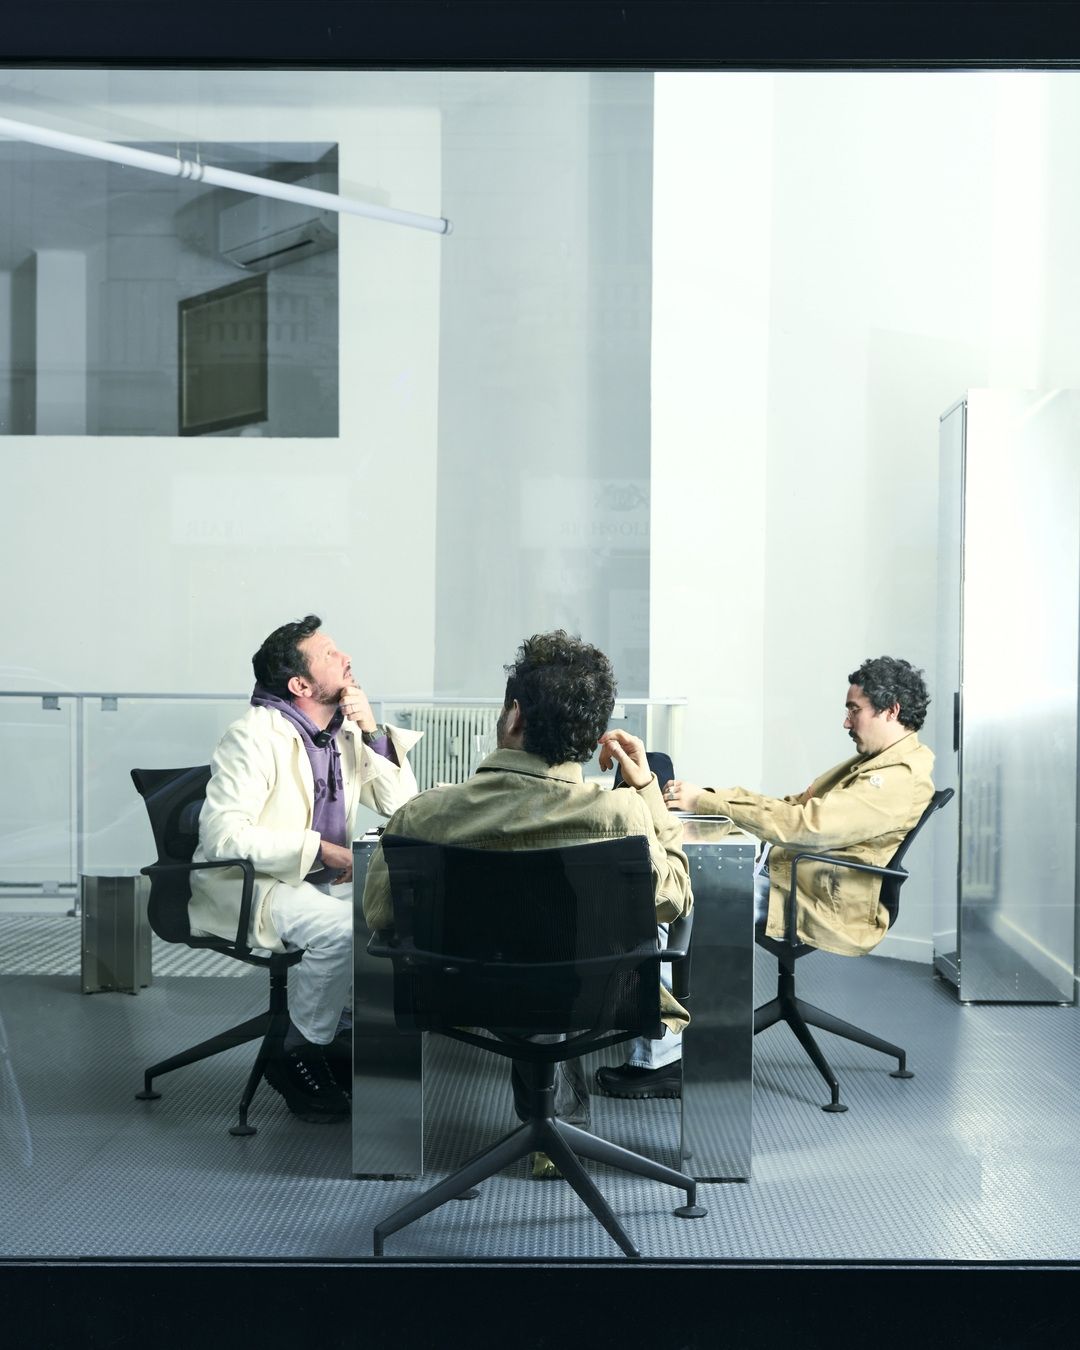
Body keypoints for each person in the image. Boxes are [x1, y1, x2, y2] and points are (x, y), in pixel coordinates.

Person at [361, 630, 692, 1176]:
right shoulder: (620, 816)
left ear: (514, 716)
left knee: (525, 958)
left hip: (461, 994)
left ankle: (546, 1127)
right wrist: (648, 790)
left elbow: (379, 915)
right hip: (592, 995)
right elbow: (675, 896)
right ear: (592, 737)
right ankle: (555, 1134)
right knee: (561, 958)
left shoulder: (425, 814)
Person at [597, 654, 935, 1100]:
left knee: (663, 902)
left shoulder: (896, 780)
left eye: (855, 710)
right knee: (669, 887)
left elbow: (805, 826)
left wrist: (708, 803)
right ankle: (662, 1034)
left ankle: (661, 1059)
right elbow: (792, 805)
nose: (846, 721)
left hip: (809, 897)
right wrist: (709, 797)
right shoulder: (874, 764)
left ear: (891, 711)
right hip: (791, 877)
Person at [190, 615, 421, 1123]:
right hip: (257, 884)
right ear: (300, 684)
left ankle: (339, 1031)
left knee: (395, 916)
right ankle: (298, 1049)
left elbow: (403, 806)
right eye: (330, 654)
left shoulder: (343, 733)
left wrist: (372, 731)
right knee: (341, 931)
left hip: (321, 881)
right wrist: (322, 850)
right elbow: (223, 837)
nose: (346, 658)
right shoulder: (252, 736)